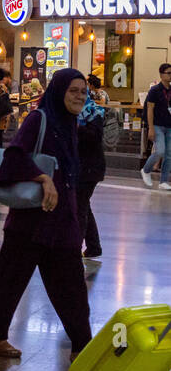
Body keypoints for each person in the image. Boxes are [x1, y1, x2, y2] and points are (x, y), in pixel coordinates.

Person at [0, 69, 92, 360]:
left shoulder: (70, 124)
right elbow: (14, 156)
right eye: (73, 91)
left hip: (61, 222)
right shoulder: (40, 119)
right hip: (29, 221)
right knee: (9, 283)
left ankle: (82, 346)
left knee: (73, 288)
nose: (79, 96)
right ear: (59, 92)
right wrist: (42, 177)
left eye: (83, 91)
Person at [77, 83, 106, 259]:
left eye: (81, 92)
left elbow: (94, 137)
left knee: (79, 206)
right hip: (79, 166)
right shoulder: (67, 111)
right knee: (83, 205)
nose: (77, 96)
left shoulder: (93, 112)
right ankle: (93, 246)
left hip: (89, 167)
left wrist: (75, 128)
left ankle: (74, 246)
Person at [141, 63, 171, 189]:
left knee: (169, 154)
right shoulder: (155, 90)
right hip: (157, 125)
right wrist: (151, 128)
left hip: (169, 125)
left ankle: (164, 181)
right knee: (160, 151)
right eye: (168, 73)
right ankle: (146, 170)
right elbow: (149, 109)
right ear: (161, 74)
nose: (170, 75)